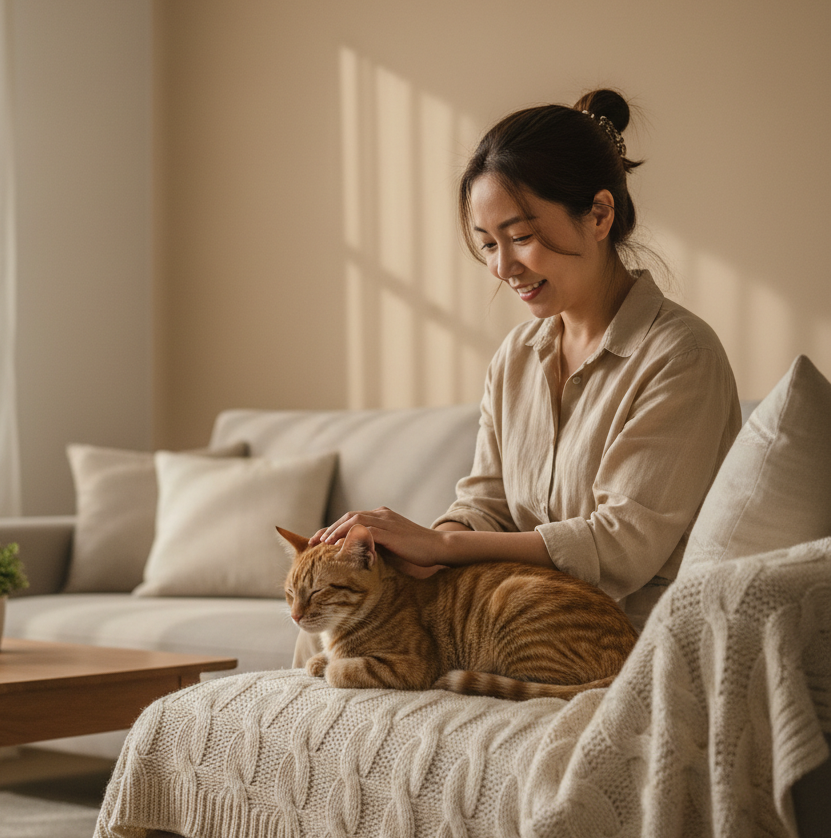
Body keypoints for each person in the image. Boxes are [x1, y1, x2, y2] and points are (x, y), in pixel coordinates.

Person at [301, 88, 740, 651]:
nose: (503, 267)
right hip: (517, 618)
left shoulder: (681, 355)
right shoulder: (516, 357)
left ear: (600, 214)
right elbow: (486, 504)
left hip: (619, 638)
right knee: (331, 631)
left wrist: (445, 550)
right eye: (487, 244)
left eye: (522, 238)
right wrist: (417, 550)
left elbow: (621, 546)